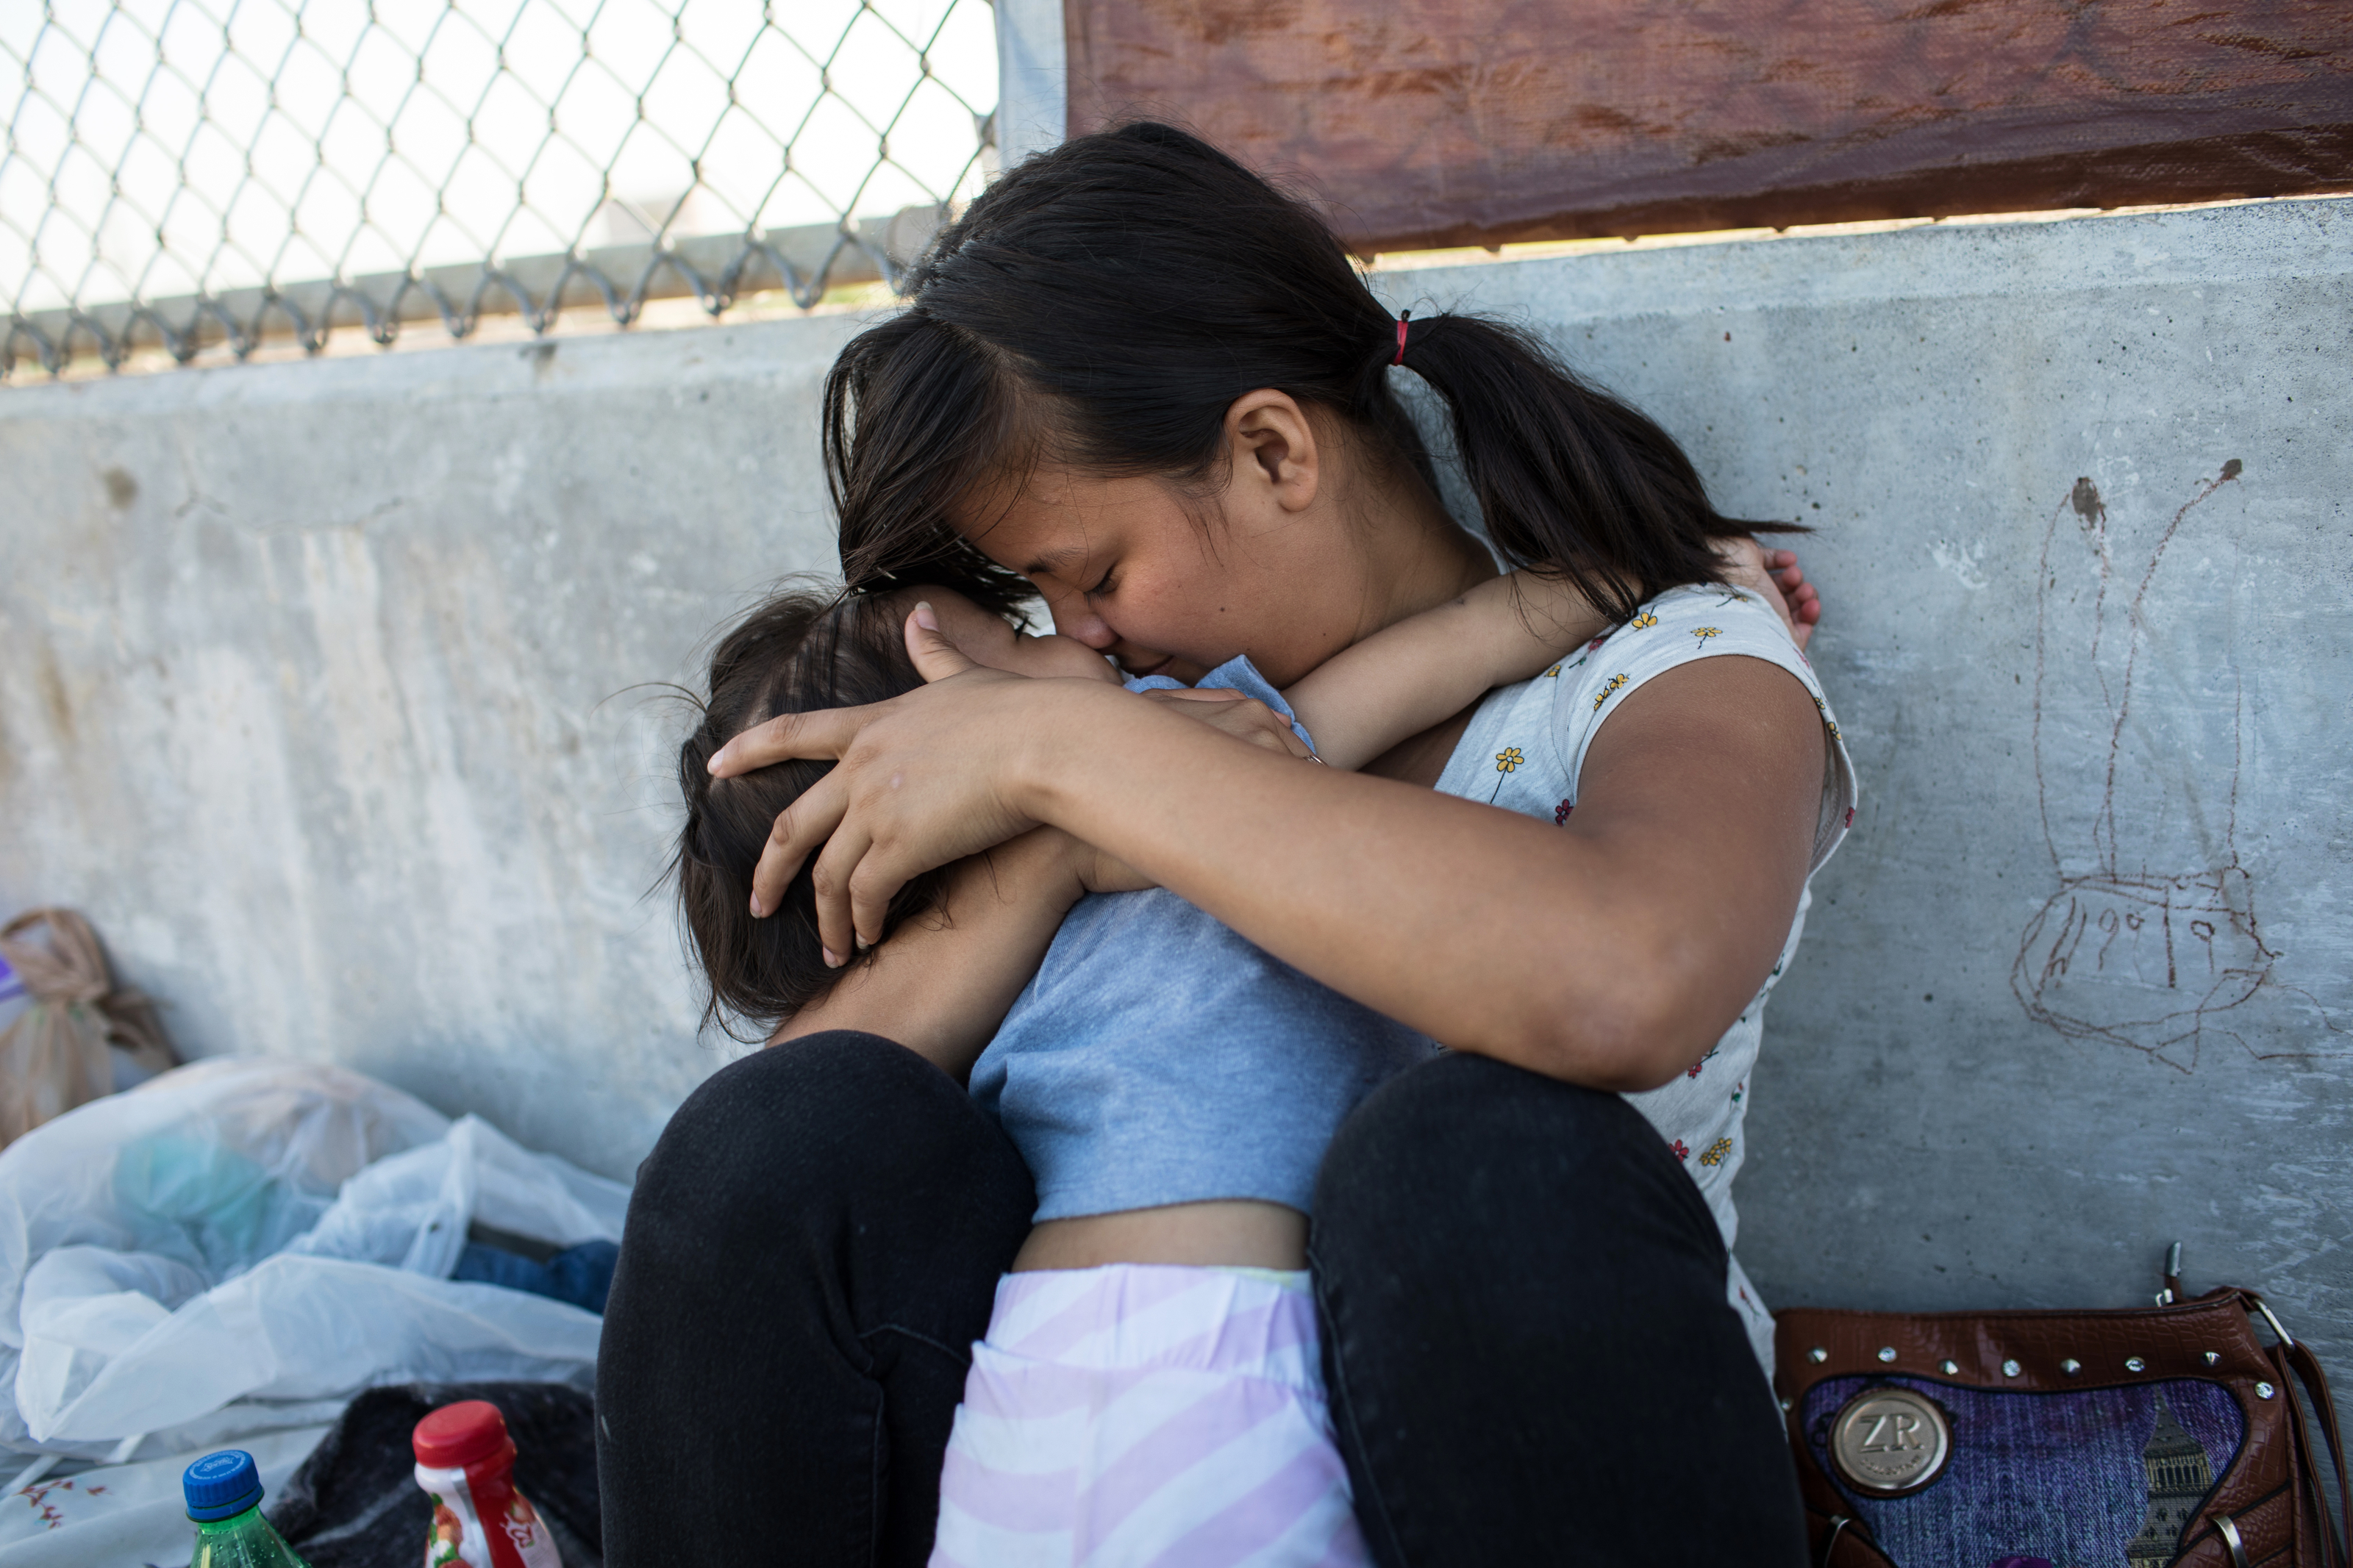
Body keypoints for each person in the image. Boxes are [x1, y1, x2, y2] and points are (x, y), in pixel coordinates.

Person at [597, 122, 1851, 1567]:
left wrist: (1067, 752)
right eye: (1038, 601)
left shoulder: (1663, 658)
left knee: (1463, 1152)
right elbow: (767, 1177)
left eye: (1095, 574)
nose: (1078, 636)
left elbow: (1628, 976)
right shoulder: (1120, 732)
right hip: (1090, 1454)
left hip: (1502, 1467)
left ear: (1270, 449)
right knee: (772, 1141)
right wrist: (1061, 816)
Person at [665, 556, 1770, 1564]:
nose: (1077, 637)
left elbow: (1470, 633)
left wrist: (1668, 571)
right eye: (1013, 636)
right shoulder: (983, 919)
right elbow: (766, 1136)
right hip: (1225, 1361)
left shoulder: (1195, 747)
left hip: (1038, 1401)